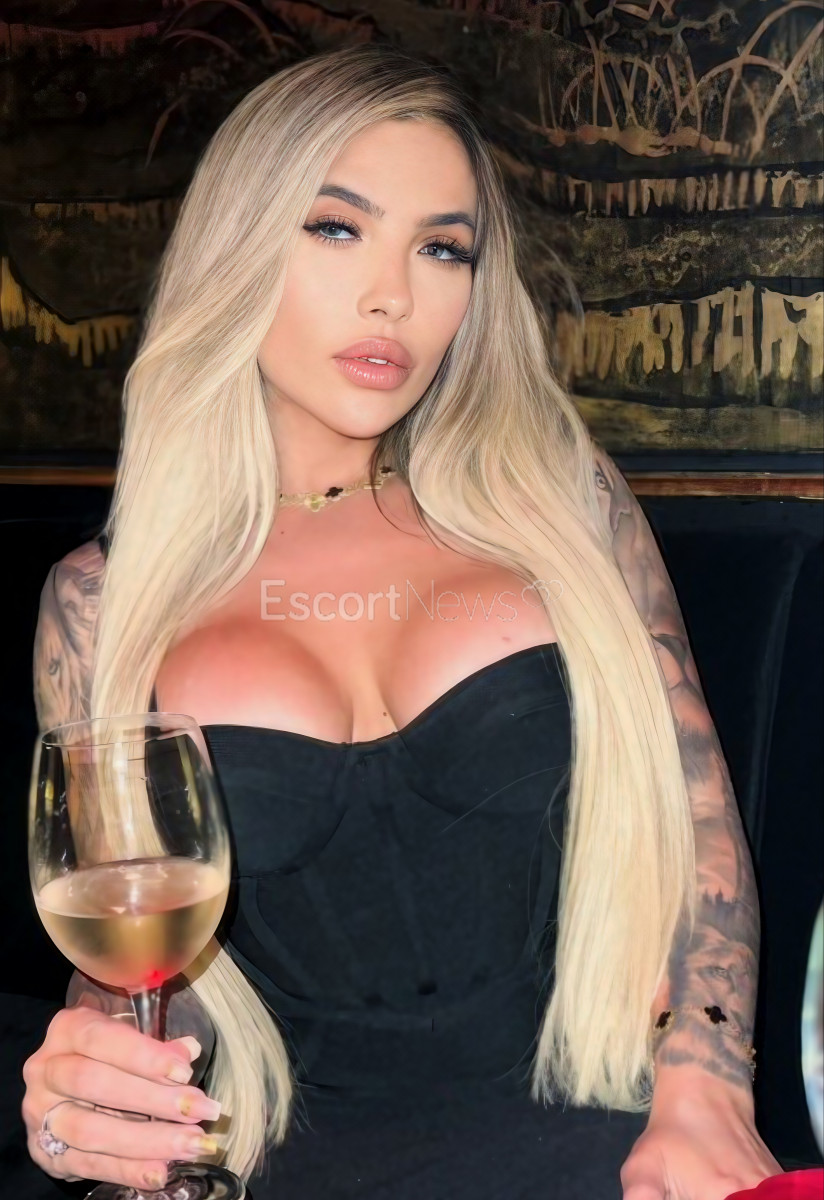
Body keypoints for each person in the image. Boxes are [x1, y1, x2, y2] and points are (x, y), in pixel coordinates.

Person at [21, 43, 782, 1200]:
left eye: (440, 248)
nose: (394, 295)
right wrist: (92, 1084)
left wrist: (704, 1087)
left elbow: (698, 836)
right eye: (336, 229)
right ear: (236, 247)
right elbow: (138, 953)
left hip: (614, 1145)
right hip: (281, 1166)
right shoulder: (100, 604)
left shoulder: (555, 504)